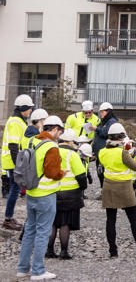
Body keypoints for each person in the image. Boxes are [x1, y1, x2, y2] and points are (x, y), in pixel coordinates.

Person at [16, 115, 66, 281]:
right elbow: (52, 173)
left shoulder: (31, 141)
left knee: (30, 230)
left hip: (31, 192)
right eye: (60, 131)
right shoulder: (51, 146)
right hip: (45, 195)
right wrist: (62, 173)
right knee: (43, 232)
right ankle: (38, 271)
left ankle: (22, 268)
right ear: (54, 129)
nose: (60, 135)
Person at [99, 122, 136, 258]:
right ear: (121, 137)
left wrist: (126, 150)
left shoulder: (102, 152)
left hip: (108, 186)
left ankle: (113, 251)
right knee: (133, 219)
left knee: (110, 220)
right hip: (124, 187)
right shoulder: (123, 153)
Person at [46, 128, 87, 261]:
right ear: (70, 142)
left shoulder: (52, 151)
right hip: (70, 194)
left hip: (53, 191)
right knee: (65, 223)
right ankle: (64, 251)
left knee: (52, 222)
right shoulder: (72, 155)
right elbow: (81, 176)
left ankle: (49, 250)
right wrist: (82, 188)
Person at [3, 95, 34, 231]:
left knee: (14, 190)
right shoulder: (16, 121)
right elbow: (13, 145)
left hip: (12, 160)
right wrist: (18, 165)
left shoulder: (18, 120)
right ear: (23, 108)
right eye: (29, 109)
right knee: (14, 190)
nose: (30, 111)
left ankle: (9, 217)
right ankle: (8, 219)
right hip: (12, 160)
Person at [92, 102, 119, 188]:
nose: (100, 114)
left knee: (103, 172)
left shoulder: (111, 122)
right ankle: (103, 190)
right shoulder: (104, 122)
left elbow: (107, 133)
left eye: (102, 112)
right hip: (100, 153)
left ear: (108, 112)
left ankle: (105, 191)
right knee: (100, 172)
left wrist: (96, 129)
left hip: (105, 153)